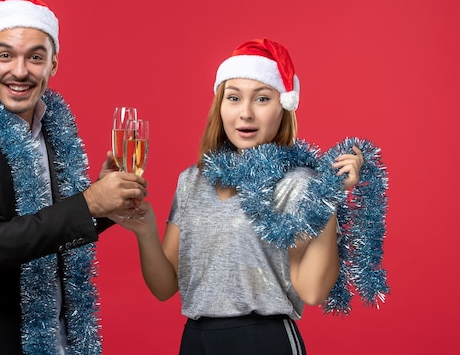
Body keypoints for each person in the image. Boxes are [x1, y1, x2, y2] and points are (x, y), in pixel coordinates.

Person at [115, 38, 388, 355]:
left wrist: (327, 195)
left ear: (282, 108)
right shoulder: (192, 180)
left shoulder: (297, 183)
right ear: (220, 106)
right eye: (233, 98)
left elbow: (312, 290)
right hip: (195, 341)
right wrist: (146, 233)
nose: (245, 113)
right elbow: (165, 288)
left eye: (261, 99)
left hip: (263, 342)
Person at [0, 0, 147, 355]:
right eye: (5, 55)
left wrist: (104, 204)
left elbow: (54, 228)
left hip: (63, 339)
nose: (20, 71)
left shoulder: (52, 131)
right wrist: (88, 203)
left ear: (53, 64)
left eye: (35, 57)